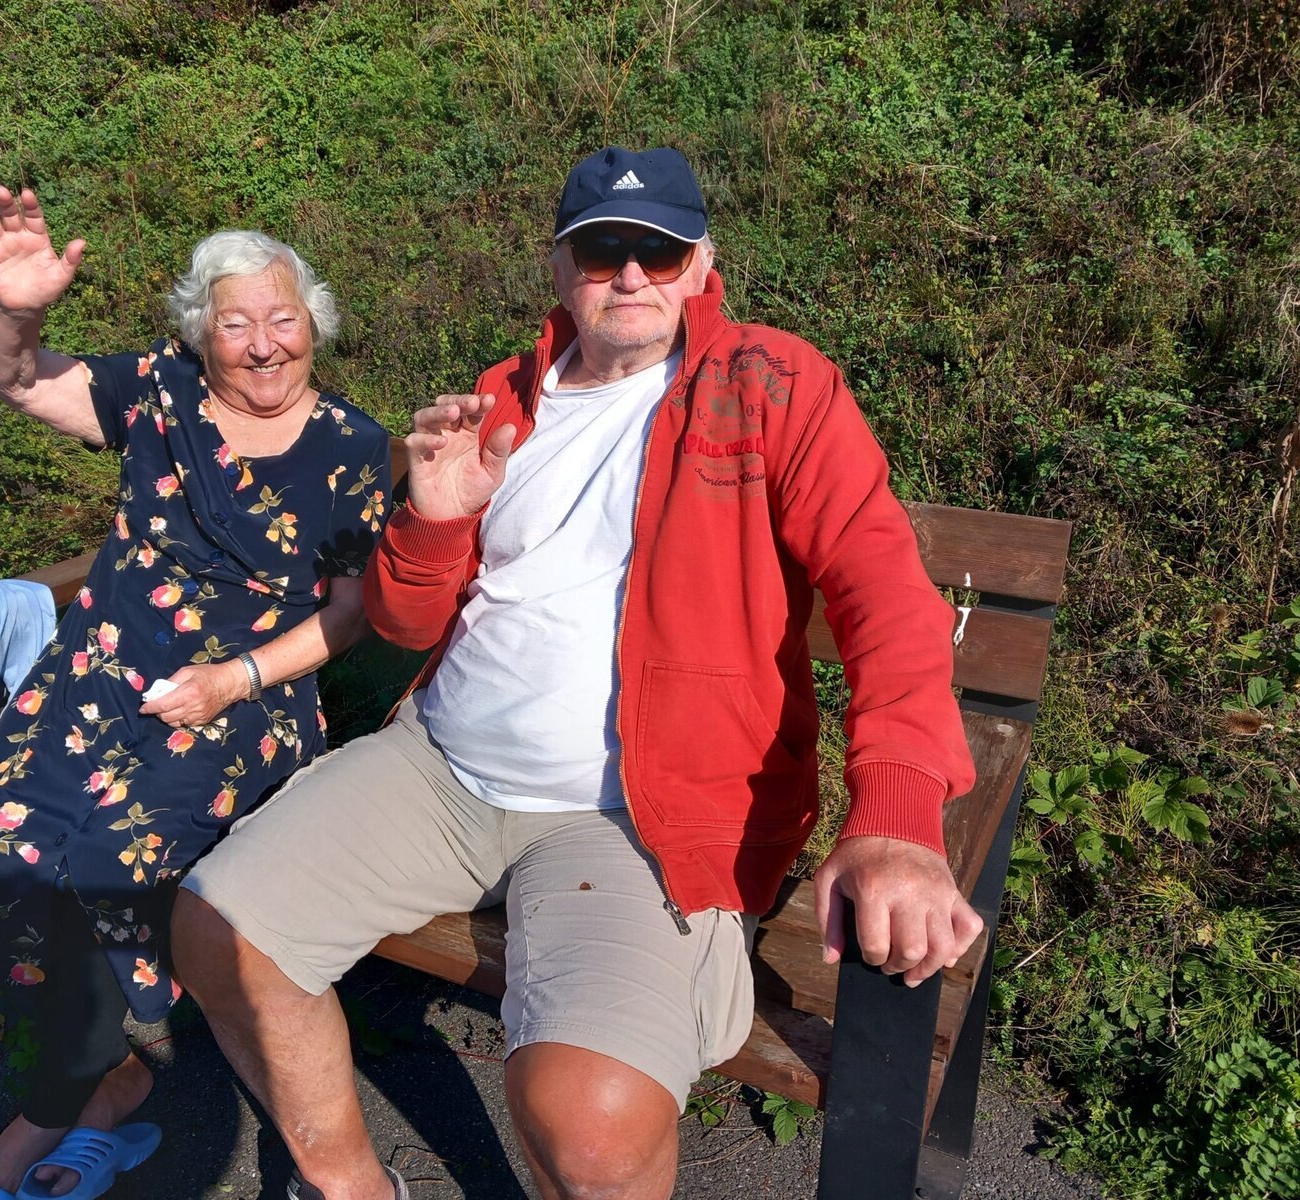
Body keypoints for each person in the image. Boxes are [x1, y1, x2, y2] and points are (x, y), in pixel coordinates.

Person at [172, 147, 984, 1200]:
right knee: (221, 931)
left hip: (639, 814)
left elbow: (887, 594)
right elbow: (406, 622)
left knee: (592, 1130)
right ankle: (351, 1188)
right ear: (560, 269)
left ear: (701, 265)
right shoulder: (502, 398)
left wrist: (896, 817)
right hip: (440, 766)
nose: (632, 274)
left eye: (661, 250)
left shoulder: (771, 386)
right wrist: (432, 519)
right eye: (603, 251)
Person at [0, 187, 391, 1200]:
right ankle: (106, 1083)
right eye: (235, 324)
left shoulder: (351, 446)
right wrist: (16, 311)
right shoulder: (156, 394)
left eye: (282, 319)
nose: (263, 346)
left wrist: (233, 679)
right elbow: (12, 378)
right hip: (93, 680)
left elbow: (351, 614)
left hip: (246, 701)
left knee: (107, 862)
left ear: (313, 323)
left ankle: (38, 1131)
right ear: (199, 335)